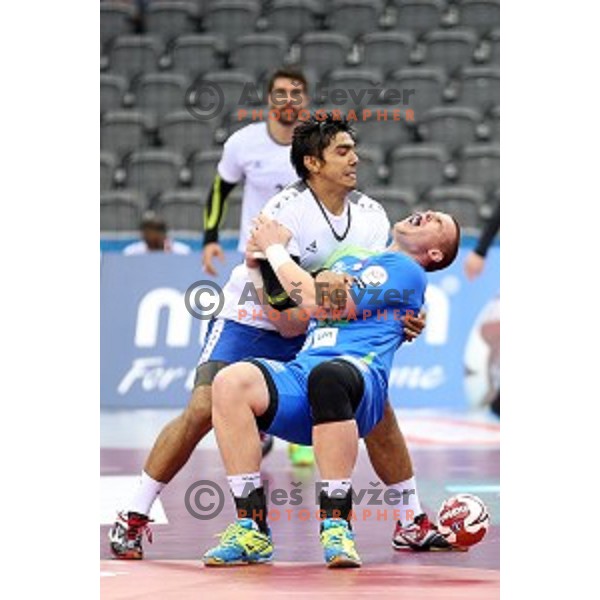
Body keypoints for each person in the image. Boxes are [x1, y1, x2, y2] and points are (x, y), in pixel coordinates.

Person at [108, 115, 439, 560]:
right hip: (253, 316)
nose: (355, 158)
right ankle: (136, 512)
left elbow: (381, 283)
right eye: (342, 151)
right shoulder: (284, 213)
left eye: (352, 148)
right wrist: (320, 300)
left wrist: (409, 314)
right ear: (313, 163)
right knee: (204, 407)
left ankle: (410, 520)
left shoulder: (373, 216)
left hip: (317, 320)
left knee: (375, 407)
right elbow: (282, 315)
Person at [203, 208, 461, 567]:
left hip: (360, 382)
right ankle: (251, 528)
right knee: (230, 381)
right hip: (303, 374)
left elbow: (324, 301)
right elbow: (290, 322)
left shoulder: (408, 271)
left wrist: (275, 250)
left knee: (329, 376)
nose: (428, 213)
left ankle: (337, 524)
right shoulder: (351, 258)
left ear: (434, 254)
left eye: (439, 222)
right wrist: (253, 265)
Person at [201, 66, 314, 465]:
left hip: (304, 263)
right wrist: (210, 239)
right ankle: (259, 424)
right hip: (256, 263)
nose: (288, 99)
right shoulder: (243, 143)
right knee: (259, 335)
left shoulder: (314, 146)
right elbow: (220, 189)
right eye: (281, 92)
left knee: (303, 338)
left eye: (296, 92)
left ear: (305, 99)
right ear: (269, 99)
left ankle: (303, 431)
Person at [122, 211, 191, 255]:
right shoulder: (132, 253)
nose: (148, 235)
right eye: (146, 231)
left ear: (163, 233)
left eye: (155, 231)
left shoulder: (181, 252)